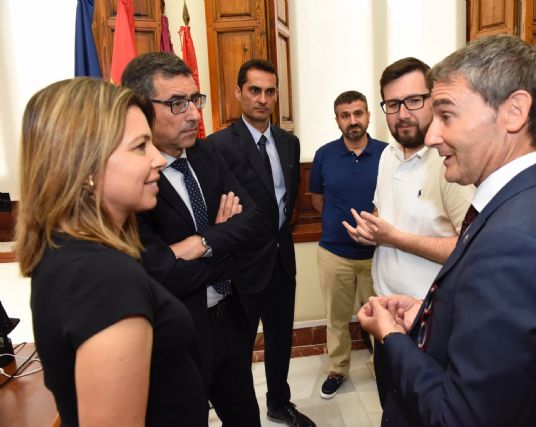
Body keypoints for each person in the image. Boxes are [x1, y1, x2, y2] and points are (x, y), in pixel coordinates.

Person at [357, 34, 536, 426]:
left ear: (514, 111)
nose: (433, 135)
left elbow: (461, 417)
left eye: (447, 115)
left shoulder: (515, 244)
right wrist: (429, 317)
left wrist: (393, 339)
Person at [16, 77, 209, 426]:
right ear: (86, 166)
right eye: (140, 146)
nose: (158, 160)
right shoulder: (104, 279)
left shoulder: (68, 251)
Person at [121, 52, 261, 426]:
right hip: (178, 332)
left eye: (194, 100)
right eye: (177, 104)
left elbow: (253, 221)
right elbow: (160, 272)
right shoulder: (131, 182)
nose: (195, 115)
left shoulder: (206, 152)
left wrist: (200, 242)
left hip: (231, 317)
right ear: (140, 109)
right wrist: (221, 240)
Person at [207, 59, 315, 427]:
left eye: (270, 91)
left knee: (280, 338)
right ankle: (238, 412)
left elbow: (289, 198)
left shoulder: (289, 141)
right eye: (254, 90)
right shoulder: (217, 145)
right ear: (238, 92)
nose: (263, 99)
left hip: (282, 260)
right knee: (237, 347)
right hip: (241, 265)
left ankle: (279, 402)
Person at [343, 57, 474, 300]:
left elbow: (471, 247)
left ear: (433, 100)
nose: (402, 114)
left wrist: (394, 238)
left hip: (428, 311)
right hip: (384, 300)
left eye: (413, 101)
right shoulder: (387, 154)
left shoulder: (452, 162)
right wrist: (370, 229)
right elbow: (384, 210)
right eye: (392, 104)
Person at [309, 90, 387, 399]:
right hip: (334, 254)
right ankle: (338, 368)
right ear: (338, 120)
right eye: (345, 115)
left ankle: (382, 368)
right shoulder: (324, 155)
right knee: (336, 319)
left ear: (368, 115)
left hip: (379, 255)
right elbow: (318, 201)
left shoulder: (388, 153)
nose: (352, 120)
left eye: (358, 113)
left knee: (381, 318)